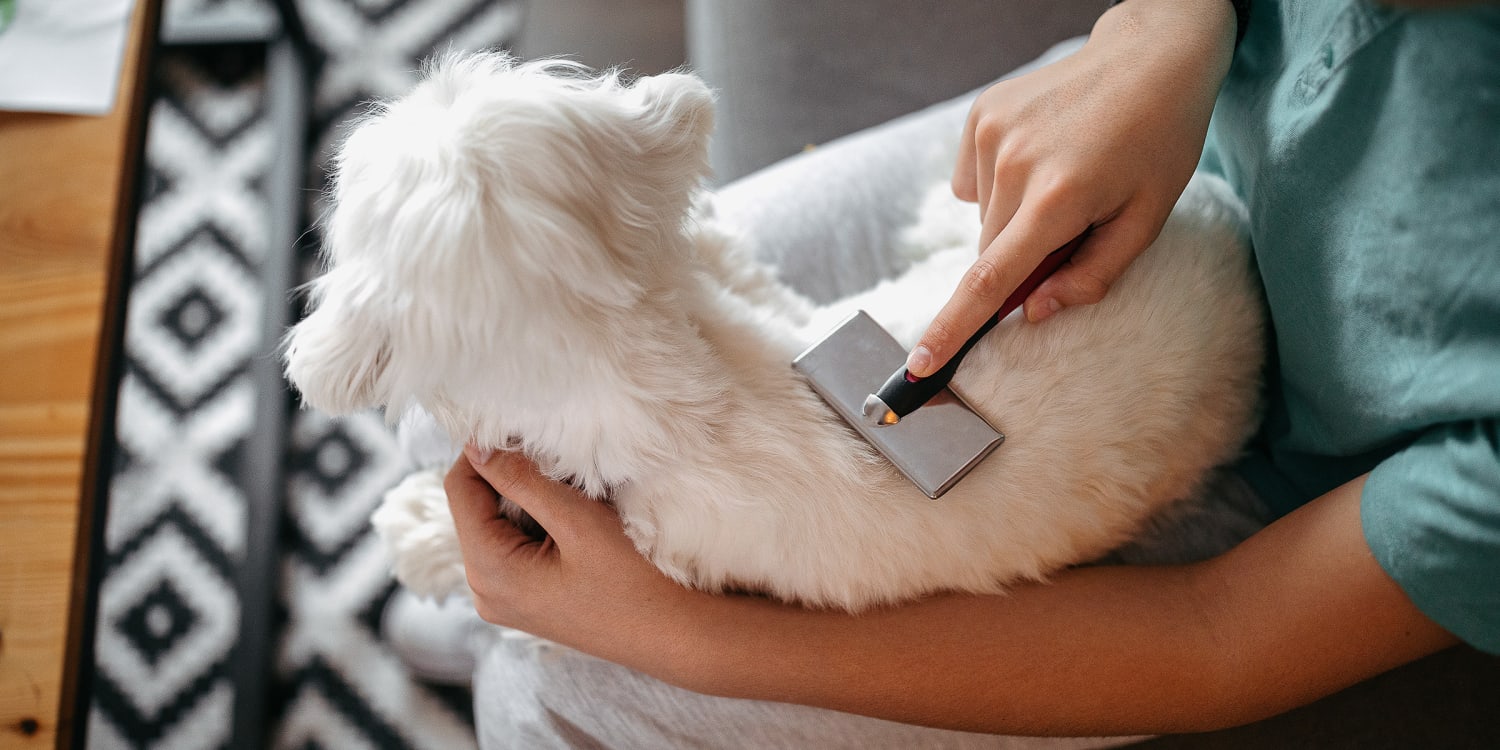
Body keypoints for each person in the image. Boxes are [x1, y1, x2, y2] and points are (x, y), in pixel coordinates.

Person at [446, 0, 1499, 737]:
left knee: (551, 699)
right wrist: (1170, 24)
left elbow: (1214, 635)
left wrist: (684, 637)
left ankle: (480, 622)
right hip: (1131, 125)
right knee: (488, 356)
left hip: (1244, 473)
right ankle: (456, 582)